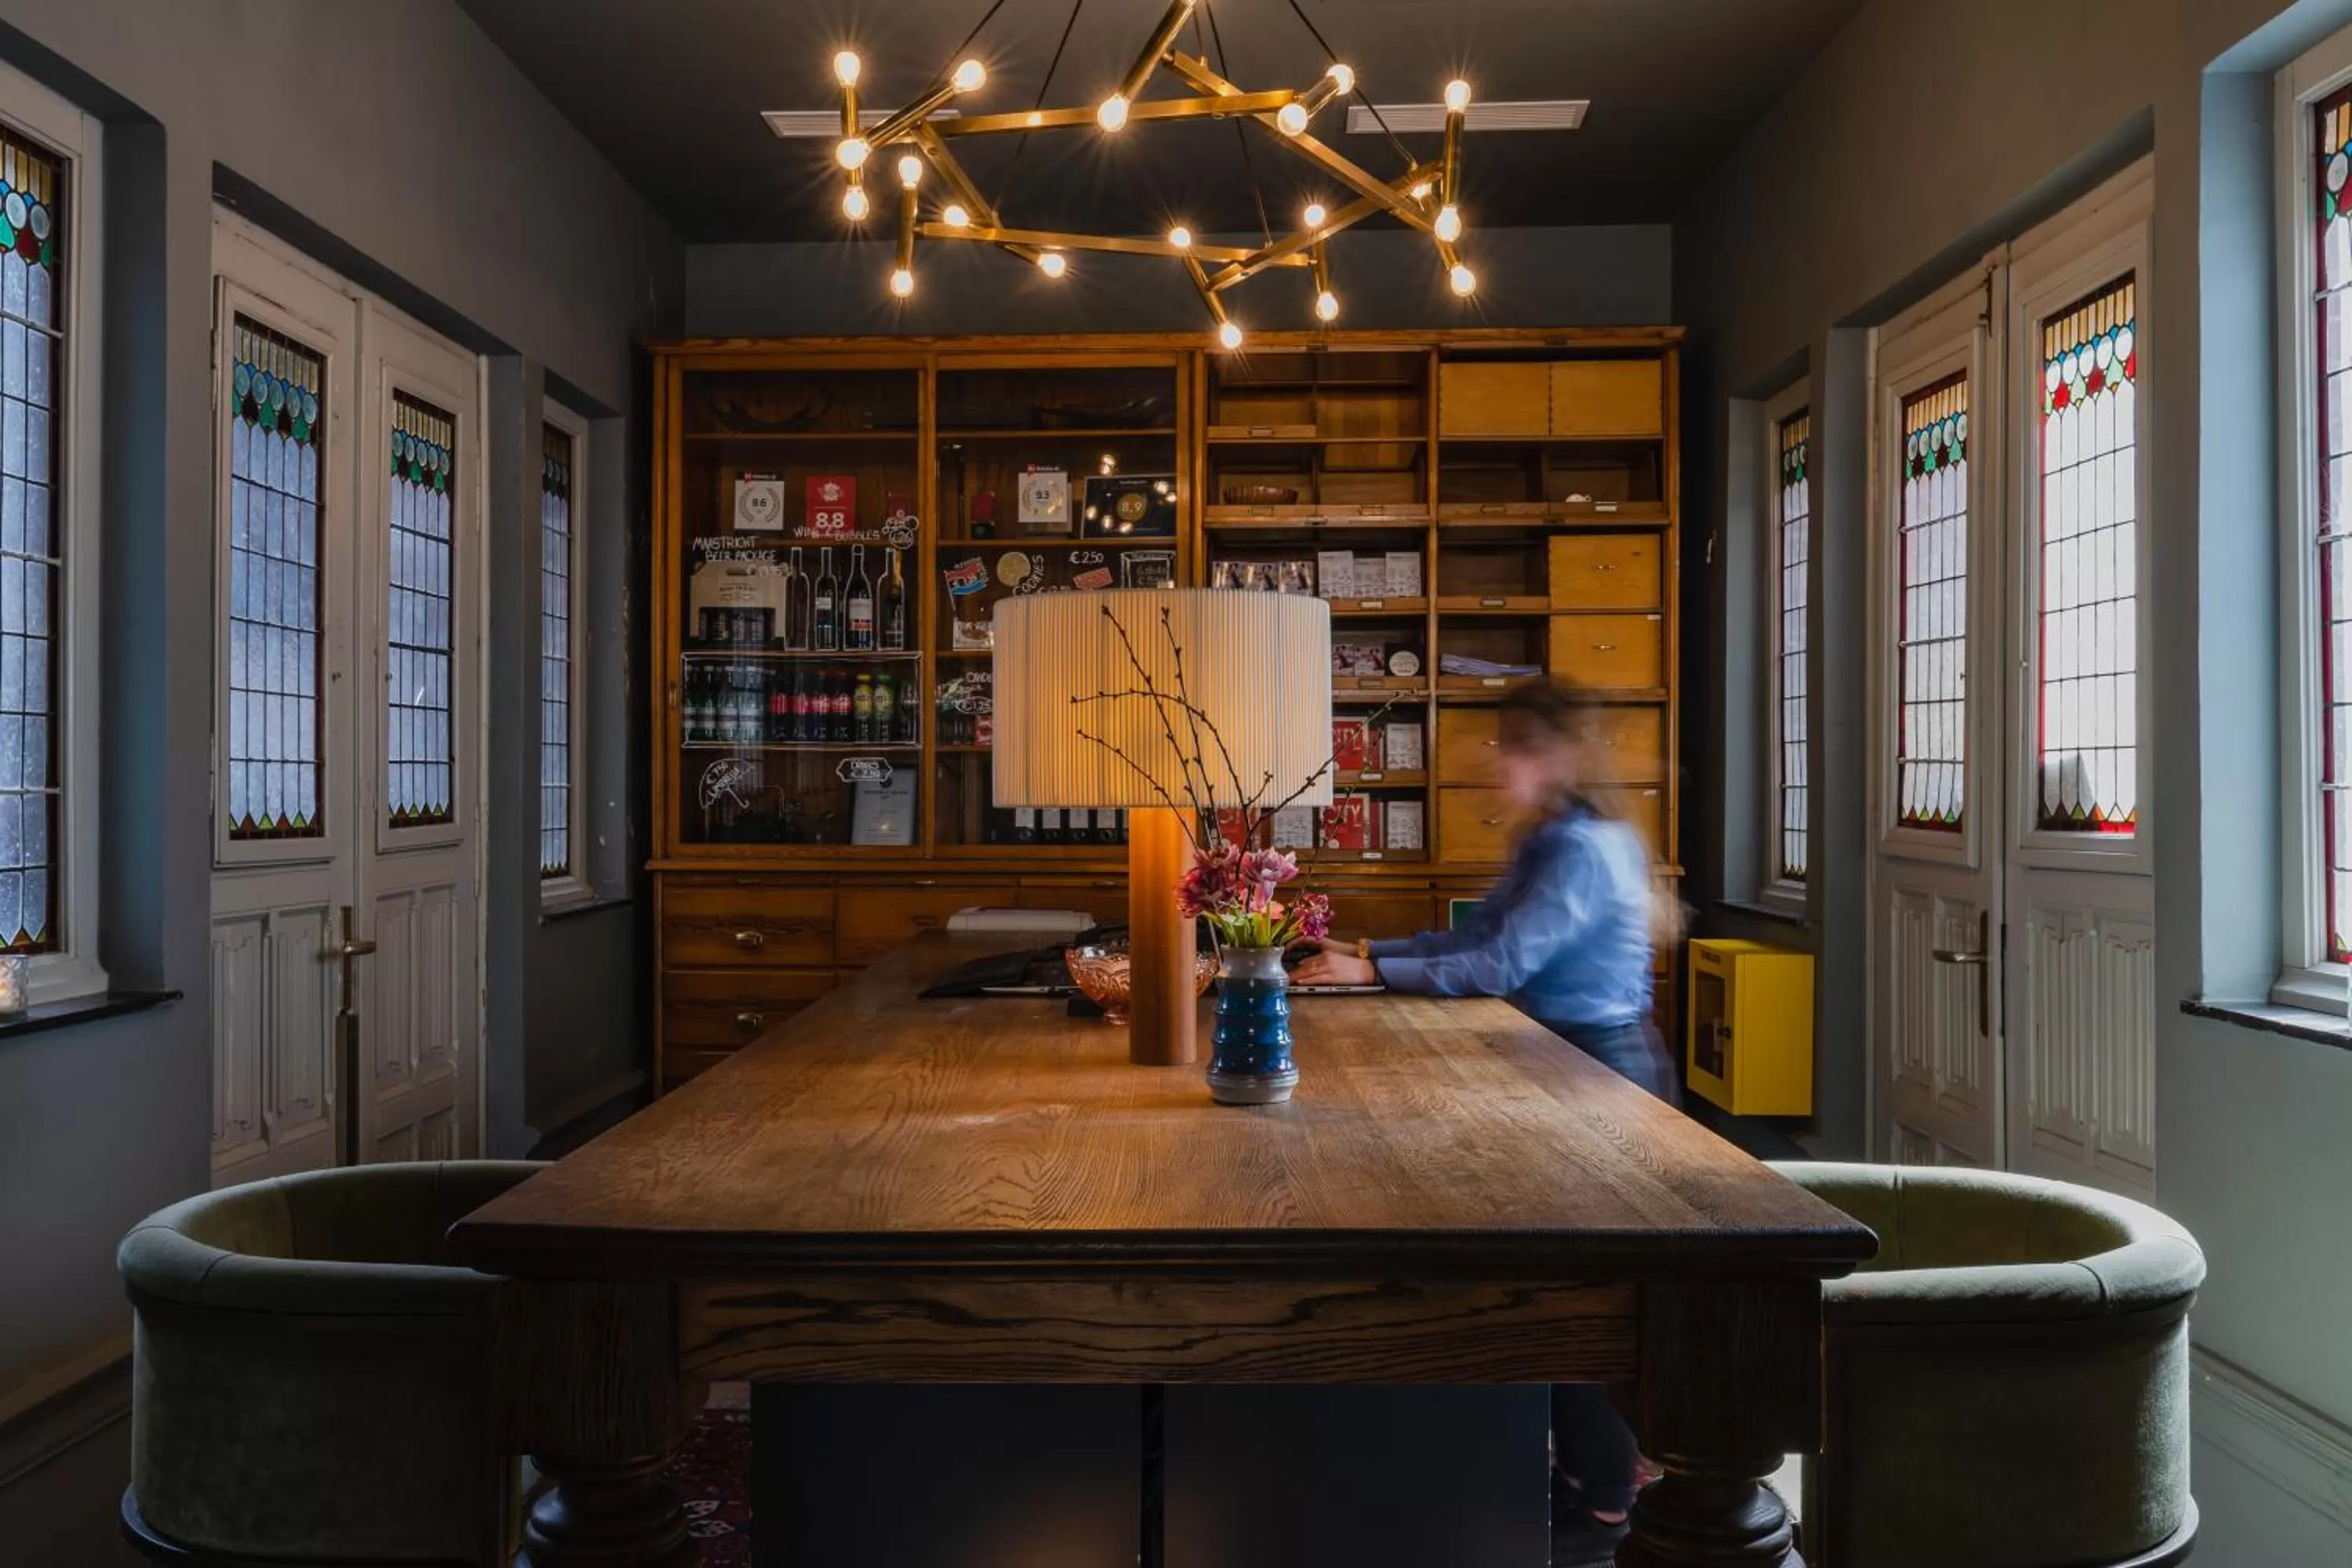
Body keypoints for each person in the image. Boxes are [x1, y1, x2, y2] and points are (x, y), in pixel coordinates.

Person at [1292, 680, 1681, 1559]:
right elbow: (1464, 937)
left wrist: (1369, 971)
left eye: (1513, 746)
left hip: (1594, 1076)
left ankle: (1605, 1505)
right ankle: (1570, 1473)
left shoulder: (1582, 847)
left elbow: (1499, 961)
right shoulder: (1550, 838)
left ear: (1558, 757)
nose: (1494, 761)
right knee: (1550, 1279)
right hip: (1556, 1065)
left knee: (1581, 1296)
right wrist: (1364, 954)